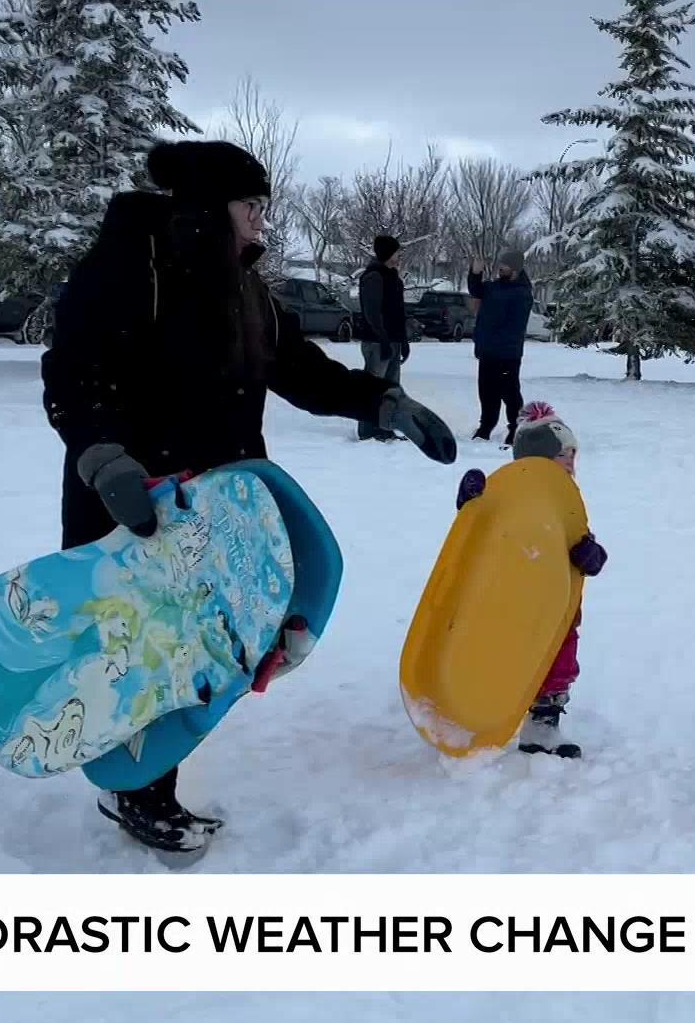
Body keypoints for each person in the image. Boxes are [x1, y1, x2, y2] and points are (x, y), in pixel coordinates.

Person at [40, 140, 457, 853]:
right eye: (252, 206)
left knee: (199, 647)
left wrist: (383, 402)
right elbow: (73, 374)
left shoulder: (247, 289)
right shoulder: (128, 269)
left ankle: (147, 778)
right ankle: (137, 791)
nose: (263, 222)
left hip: (219, 505)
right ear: (209, 209)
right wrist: (103, 456)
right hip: (134, 502)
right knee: (146, 649)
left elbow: (302, 370)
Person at [453, 401, 605, 758]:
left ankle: (541, 728)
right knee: (501, 655)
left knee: (559, 661)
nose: (571, 461)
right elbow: (476, 532)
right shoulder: (508, 495)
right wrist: (471, 500)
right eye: (563, 455)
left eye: (573, 454)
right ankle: (474, 713)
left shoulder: (567, 503)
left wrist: (590, 555)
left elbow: (581, 543)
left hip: (555, 604)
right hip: (505, 599)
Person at [467, 249, 533, 444]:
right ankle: (486, 426)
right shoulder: (495, 287)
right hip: (488, 351)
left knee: (510, 393)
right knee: (486, 392)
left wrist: (490, 324)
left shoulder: (522, 293)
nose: (499, 269)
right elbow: (476, 290)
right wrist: (475, 272)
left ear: (514, 269)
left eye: (503, 267)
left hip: (507, 353)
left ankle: (515, 428)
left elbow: (513, 323)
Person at [355, 233, 411, 441]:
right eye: (397, 252)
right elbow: (372, 312)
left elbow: (398, 311)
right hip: (377, 342)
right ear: (388, 253)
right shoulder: (373, 277)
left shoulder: (393, 278)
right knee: (372, 387)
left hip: (393, 341)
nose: (399, 256)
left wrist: (402, 341)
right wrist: (384, 339)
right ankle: (367, 429)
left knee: (390, 389)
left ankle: (385, 426)